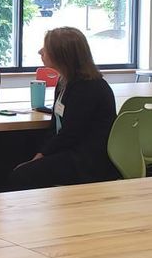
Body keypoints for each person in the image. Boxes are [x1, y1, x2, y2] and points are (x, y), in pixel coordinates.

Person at [8, 27, 120, 190]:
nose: (40, 51)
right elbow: (56, 127)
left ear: (62, 55)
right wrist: (41, 154)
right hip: (70, 151)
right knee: (16, 158)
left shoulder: (89, 87)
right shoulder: (65, 82)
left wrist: (41, 155)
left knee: (21, 175)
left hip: (87, 160)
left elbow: (70, 134)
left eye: (46, 49)